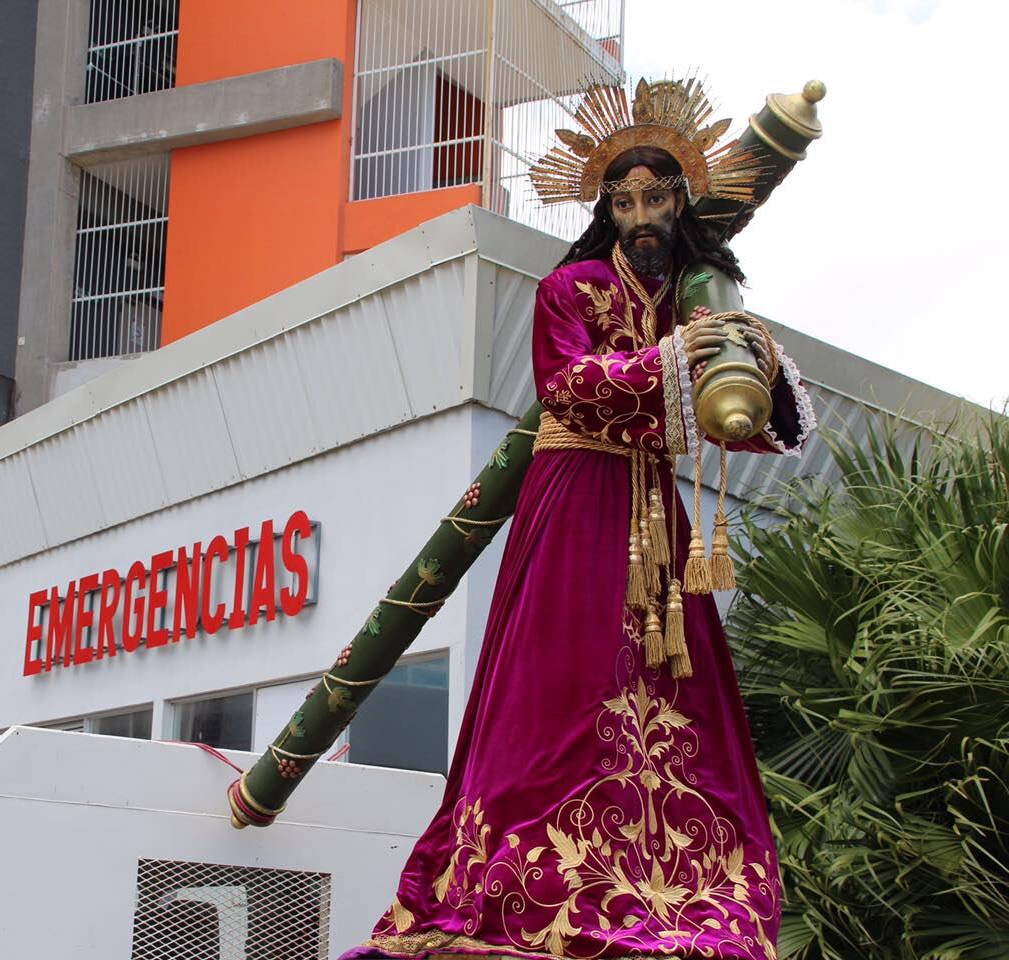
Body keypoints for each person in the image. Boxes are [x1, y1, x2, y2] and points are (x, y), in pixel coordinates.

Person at [344, 80, 815, 960]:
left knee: (673, 697)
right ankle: (537, 884)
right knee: (560, 687)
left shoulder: (694, 293)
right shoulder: (570, 285)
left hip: (653, 506)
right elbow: (571, 387)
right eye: (626, 199)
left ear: (680, 202)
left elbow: (734, 414)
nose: (642, 214)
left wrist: (751, 358)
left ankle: (679, 884)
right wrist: (674, 359)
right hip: (576, 498)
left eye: (658, 198)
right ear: (606, 206)